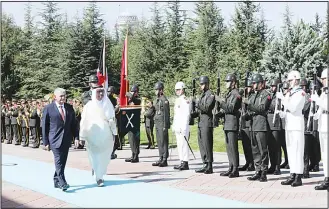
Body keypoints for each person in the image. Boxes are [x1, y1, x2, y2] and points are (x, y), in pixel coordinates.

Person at [80, 85, 117, 187]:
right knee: (95, 156)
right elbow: (84, 121)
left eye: (102, 92)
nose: (100, 94)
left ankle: (99, 172)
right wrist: (82, 136)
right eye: (98, 92)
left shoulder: (108, 104)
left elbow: (112, 119)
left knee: (104, 157)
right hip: (92, 136)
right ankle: (99, 177)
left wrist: (114, 133)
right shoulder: (89, 106)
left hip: (106, 136)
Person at [42, 88, 79, 191]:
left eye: (64, 95)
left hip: (66, 139)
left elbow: (74, 124)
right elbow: (45, 126)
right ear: (55, 97)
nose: (63, 98)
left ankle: (56, 180)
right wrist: (45, 142)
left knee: (62, 161)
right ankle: (63, 182)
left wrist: (76, 137)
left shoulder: (69, 108)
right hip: (54, 139)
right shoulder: (48, 108)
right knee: (58, 160)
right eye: (61, 96)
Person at [277, 70, 306, 187]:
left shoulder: (300, 93)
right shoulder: (291, 93)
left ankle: (298, 176)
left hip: (297, 126)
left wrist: (283, 99)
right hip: (289, 125)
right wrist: (282, 113)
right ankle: (292, 174)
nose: (288, 83)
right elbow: (288, 110)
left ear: (295, 80)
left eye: (290, 80)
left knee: (298, 151)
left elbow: (294, 108)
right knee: (290, 150)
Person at [244, 73, 271, 182]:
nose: (253, 85)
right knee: (255, 150)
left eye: (255, 83)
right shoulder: (254, 95)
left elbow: (262, 108)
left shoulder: (266, 94)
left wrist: (250, 105)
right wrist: (248, 114)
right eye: (253, 83)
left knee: (262, 150)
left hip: (261, 125)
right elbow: (253, 110)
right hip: (253, 125)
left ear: (261, 83)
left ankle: (264, 172)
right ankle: (257, 170)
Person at [215, 74, 242, 178]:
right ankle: (230, 167)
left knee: (233, 147)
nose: (226, 83)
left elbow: (231, 108)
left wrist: (221, 102)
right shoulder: (230, 94)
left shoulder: (236, 94)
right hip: (227, 124)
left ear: (233, 82)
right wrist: (220, 113)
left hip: (232, 124)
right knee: (228, 147)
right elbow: (227, 110)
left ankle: (235, 169)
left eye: (228, 81)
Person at [192, 76, 215, 174]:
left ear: (206, 84)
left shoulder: (210, 95)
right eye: (200, 84)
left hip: (207, 122)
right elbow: (200, 110)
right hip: (201, 122)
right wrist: (194, 112)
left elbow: (207, 108)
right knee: (201, 144)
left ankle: (209, 165)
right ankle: (205, 163)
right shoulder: (202, 95)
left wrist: (197, 103)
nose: (201, 86)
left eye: (202, 84)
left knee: (207, 144)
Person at [310, 68, 328, 190]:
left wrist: (317, 100)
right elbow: (322, 107)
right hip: (323, 124)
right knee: (324, 153)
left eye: (324, 78)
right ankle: (327, 177)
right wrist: (316, 114)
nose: (322, 81)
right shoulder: (324, 91)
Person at [172, 82, 191, 170]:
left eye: (179, 89)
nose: (177, 91)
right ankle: (181, 161)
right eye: (176, 90)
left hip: (183, 126)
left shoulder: (185, 100)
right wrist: (174, 125)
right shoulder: (177, 100)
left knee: (184, 144)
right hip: (178, 126)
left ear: (183, 89)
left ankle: (185, 162)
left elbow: (186, 114)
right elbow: (176, 115)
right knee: (179, 144)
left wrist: (183, 126)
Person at [152, 81, 170, 167]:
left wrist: (165, 125)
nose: (155, 91)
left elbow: (166, 114)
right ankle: (160, 157)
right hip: (157, 123)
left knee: (164, 141)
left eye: (157, 90)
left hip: (162, 123)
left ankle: (164, 159)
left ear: (161, 90)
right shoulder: (157, 99)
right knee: (159, 141)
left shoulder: (164, 100)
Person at [267, 78, 283, 175]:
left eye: (273, 86)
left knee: (276, 146)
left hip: (276, 122)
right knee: (270, 146)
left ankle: (277, 166)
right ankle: (272, 165)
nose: (272, 88)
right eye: (271, 86)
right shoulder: (272, 95)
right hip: (269, 122)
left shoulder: (279, 96)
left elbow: (275, 106)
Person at [238, 79, 255, 171]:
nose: (247, 89)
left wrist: (247, 102)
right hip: (243, 123)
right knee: (245, 145)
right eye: (246, 87)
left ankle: (252, 163)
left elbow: (253, 107)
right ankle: (247, 162)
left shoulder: (253, 96)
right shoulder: (244, 96)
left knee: (250, 145)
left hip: (249, 123)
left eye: (249, 87)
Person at [124, 84, 142, 163]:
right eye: (132, 92)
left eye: (134, 92)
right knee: (131, 139)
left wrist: (130, 96)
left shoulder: (138, 99)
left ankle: (136, 156)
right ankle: (133, 154)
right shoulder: (130, 100)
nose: (133, 93)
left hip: (136, 122)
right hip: (130, 121)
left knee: (136, 139)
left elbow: (135, 100)